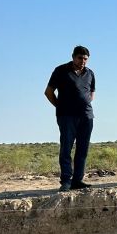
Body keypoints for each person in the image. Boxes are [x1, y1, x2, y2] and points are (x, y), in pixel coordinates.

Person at [44, 46, 96, 192]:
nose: (83, 61)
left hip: (86, 116)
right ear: (73, 56)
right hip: (66, 116)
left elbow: (92, 92)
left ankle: (78, 180)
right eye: (80, 58)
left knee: (83, 149)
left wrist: (86, 102)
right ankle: (66, 180)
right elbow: (48, 92)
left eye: (85, 59)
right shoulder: (61, 70)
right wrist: (60, 107)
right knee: (66, 148)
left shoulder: (90, 73)